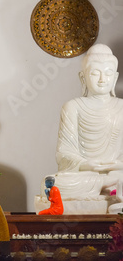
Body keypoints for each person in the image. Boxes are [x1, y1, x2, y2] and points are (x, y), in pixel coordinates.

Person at [53, 44, 123, 213]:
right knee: (53, 184)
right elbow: (63, 154)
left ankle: (115, 187)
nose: (102, 79)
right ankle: (113, 190)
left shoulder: (121, 107)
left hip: (117, 172)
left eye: (107, 73)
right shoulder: (72, 107)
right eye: (95, 73)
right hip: (84, 175)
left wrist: (118, 165)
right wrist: (86, 164)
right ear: (82, 77)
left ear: (115, 78)